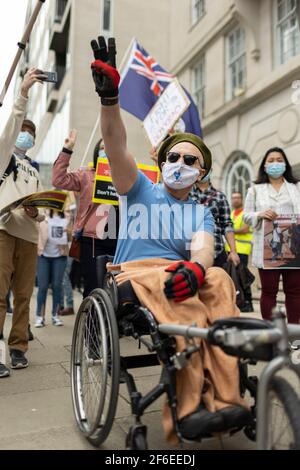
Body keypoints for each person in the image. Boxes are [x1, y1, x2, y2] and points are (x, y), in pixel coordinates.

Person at [90, 36, 250, 443]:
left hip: (184, 272)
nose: (179, 164)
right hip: (134, 274)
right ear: (162, 164)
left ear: (201, 171)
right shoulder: (140, 188)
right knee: (180, 297)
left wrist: (198, 267)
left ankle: (230, 400)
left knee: (221, 281)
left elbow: (203, 245)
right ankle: (191, 406)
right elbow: (115, 143)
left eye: (189, 160)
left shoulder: (200, 210)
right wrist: (110, 101)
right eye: (172, 158)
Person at [0, 69, 46, 378]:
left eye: (30, 132)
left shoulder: (35, 171)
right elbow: (13, 122)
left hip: (29, 236)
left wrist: (37, 213)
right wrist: (24, 93)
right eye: (22, 130)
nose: (25, 134)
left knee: (24, 296)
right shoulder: (4, 158)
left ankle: (18, 348)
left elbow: (42, 211)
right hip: (4, 231)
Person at [52, 132, 119, 298]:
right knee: (94, 287)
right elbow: (58, 180)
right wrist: (67, 150)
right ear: (97, 152)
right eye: (103, 147)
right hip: (92, 239)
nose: (106, 150)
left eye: (110, 147)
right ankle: (90, 321)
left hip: (119, 240)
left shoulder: (125, 176)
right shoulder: (86, 175)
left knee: (115, 287)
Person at [244, 147, 300, 324]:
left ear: (285, 164)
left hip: (293, 246)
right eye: (271, 160)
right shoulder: (254, 190)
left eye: (279, 159)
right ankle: (271, 332)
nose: (275, 163)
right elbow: (246, 216)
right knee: (269, 291)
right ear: (264, 165)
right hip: (267, 246)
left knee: (294, 291)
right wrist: (259, 214)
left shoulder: (296, 187)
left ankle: (294, 333)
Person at [190, 169, 240, 268]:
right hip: (189, 251)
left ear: (210, 170)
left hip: (216, 251)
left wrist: (233, 251)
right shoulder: (186, 194)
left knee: (217, 282)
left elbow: (227, 225)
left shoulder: (219, 196)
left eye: (206, 169)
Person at [35, 210, 71, 327]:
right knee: (43, 287)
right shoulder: (42, 216)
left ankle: (55, 315)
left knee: (57, 286)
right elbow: (36, 231)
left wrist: (69, 232)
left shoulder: (67, 216)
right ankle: (40, 316)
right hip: (43, 256)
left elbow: (71, 236)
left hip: (59, 256)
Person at [226, 191, 254, 312]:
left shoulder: (245, 213)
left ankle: (248, 302)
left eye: (237, 198)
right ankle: (239, 302)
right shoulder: (232, 214)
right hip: (230, 251)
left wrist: (229, 230)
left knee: (243, 277)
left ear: (241, 200)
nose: (235, 200)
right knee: (234, 278)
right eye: (233, 198)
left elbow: (245, 229)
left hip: (242, 250)